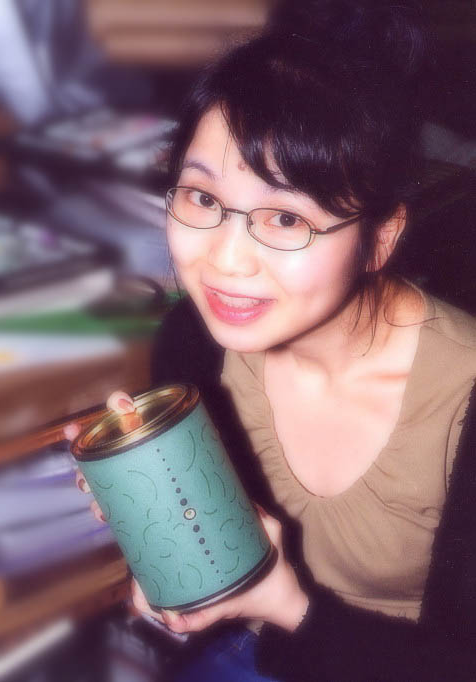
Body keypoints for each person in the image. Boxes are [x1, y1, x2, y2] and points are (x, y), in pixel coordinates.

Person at [71, 1, 476, 679]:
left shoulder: (462, 403)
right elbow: (212, 552)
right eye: (203, 199)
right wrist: (157, 518)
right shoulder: (192, 340)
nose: (225, 262)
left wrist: (286, 605)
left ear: (380, 238)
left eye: (286, 218)